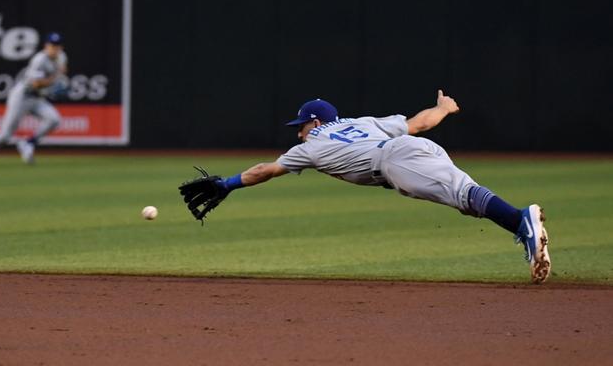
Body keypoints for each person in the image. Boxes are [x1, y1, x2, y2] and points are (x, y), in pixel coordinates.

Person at [209, 91, 551, 284]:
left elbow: (264, 170)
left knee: (464, 196)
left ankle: (522, 219)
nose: (298, 132)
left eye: (301, 125)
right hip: (416, 150)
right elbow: (420, 124)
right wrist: (443, 108)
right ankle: (522, 223)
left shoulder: (309, 145)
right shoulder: (364, 122)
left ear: (315, 122)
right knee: (468, 197)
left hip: (394, 162)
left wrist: (228, 184)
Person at [0, 32, 67, 176]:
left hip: (37, 98)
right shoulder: (39, 60)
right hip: (22, 97)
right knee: (5, 134)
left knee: (54, 120)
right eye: (52, 45)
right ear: (46, 46)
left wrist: (58, 80)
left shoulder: (62, 57)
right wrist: (55, 80)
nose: (54, 48)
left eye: (57, 46)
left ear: (61, 47)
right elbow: (35, 84)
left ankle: (29, 143)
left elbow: (62, 72)